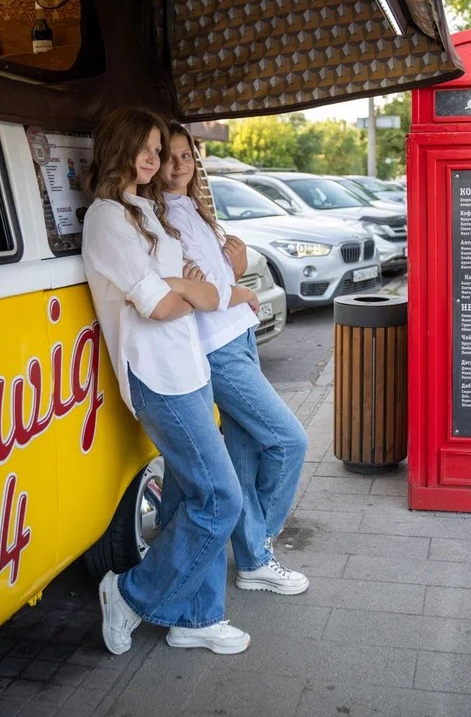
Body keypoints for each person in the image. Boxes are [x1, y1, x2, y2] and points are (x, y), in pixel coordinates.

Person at [82, 105, 251, 656]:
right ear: (120, 147)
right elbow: (162, 306)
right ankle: (130, 594)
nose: (155, 159)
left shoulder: (146, 212)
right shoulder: (107, 218)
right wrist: (191, 290)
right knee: (222, 498)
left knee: (187, 500)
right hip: (157, 377)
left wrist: (185, 285)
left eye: (160, 149)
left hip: (189, 368)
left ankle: (197, 618)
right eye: (147, 147)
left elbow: (185, 285)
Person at [163, 121, 309, 594]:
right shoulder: (159, 217)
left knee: (244, 454)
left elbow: (217, 274)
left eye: (186, 156)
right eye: (168, 157)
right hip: (218, 349)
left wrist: (234, 262)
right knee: (290, 440)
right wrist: (235, 282)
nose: (178, 165)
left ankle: (252, 561)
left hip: (240, 335)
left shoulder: (193, 208)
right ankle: (258, 540)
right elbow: (199, 288)